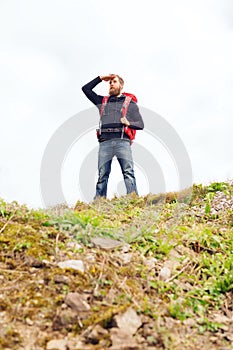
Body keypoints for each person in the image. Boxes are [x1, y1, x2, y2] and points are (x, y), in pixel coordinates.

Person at [82, 74, 144, 199]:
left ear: (121, 85)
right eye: (110, 82)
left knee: (128, 172)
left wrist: (129, 123)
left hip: (122, 142)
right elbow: (86, 89)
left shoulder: (129, 103)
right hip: (105, 142)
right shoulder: (102, 101)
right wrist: (100, 78)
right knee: (102, 175)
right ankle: (99, 202)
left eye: (114, 81)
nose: (111, 84)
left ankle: (133, 199)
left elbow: (141, 124)